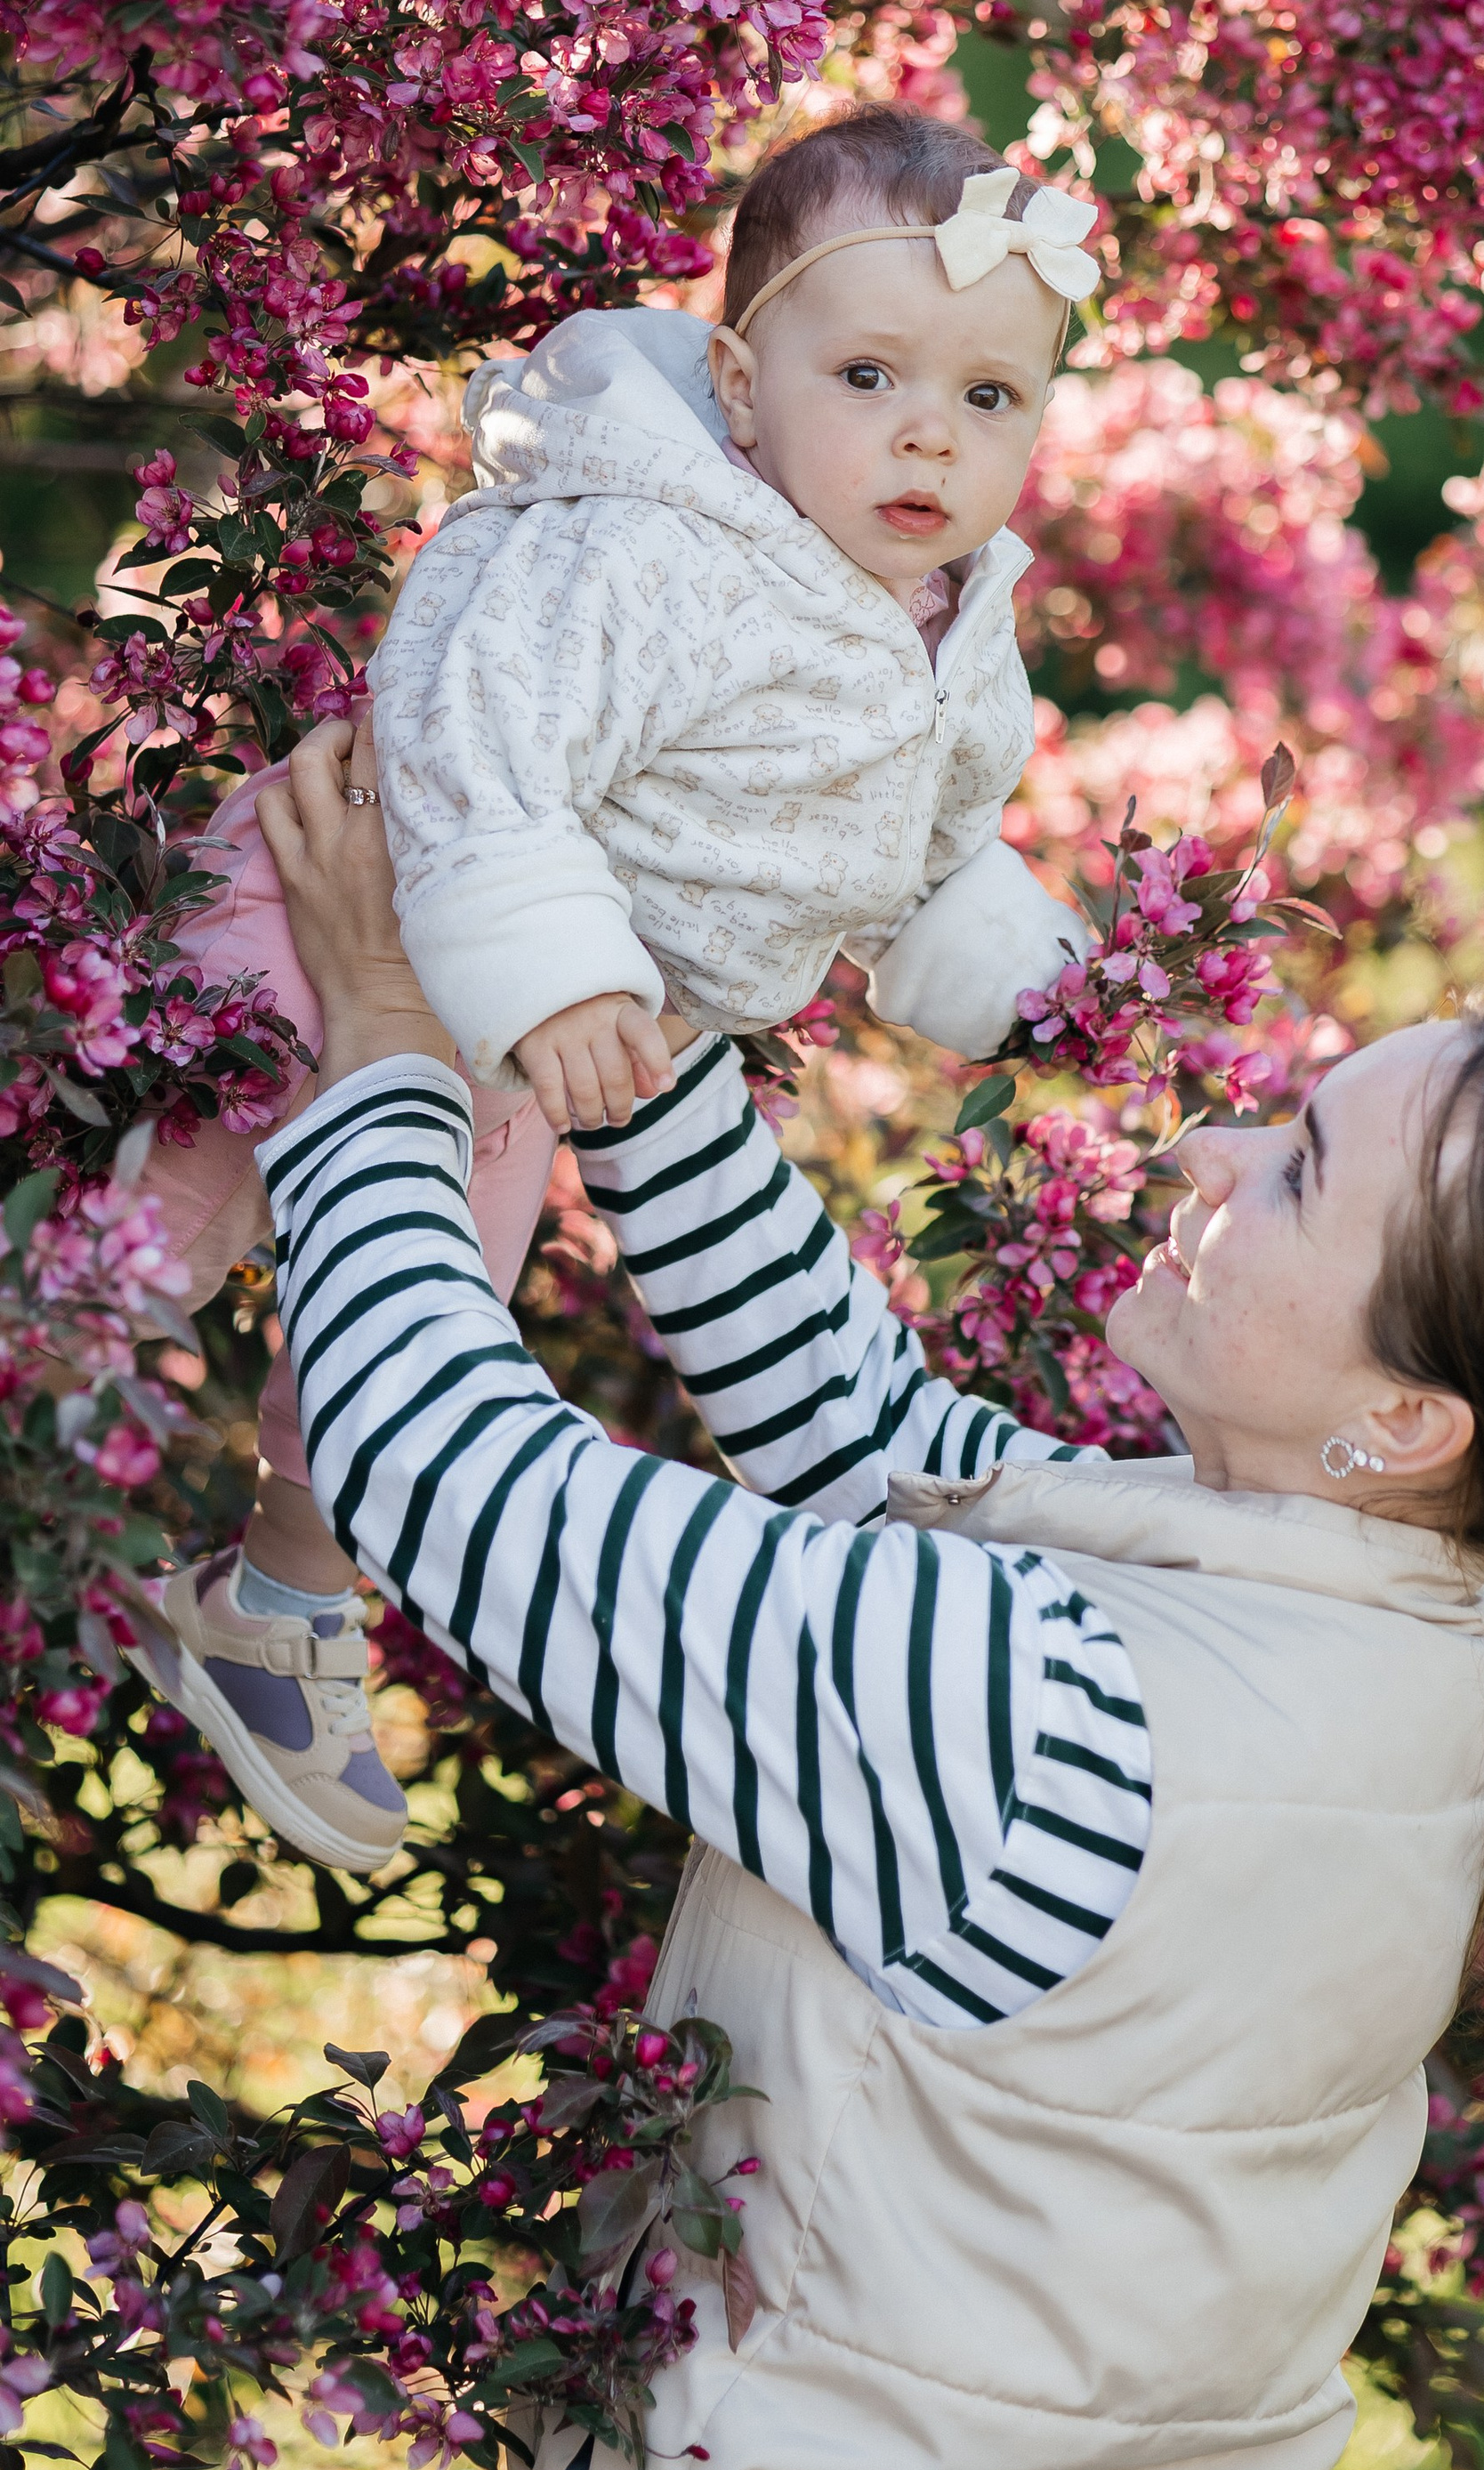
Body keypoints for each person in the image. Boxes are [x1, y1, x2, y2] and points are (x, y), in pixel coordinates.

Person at [229, 717, 1484, 2470]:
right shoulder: (1393, 1656)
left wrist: (387, 1055)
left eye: (1299, 1172)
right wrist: (615, 1032)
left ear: (1405, 1424)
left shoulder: (1065, 1716)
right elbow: (875, 1443)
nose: (1211, 1153)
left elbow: (449, 1482)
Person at [128, 109, 1096, 1874]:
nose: (924, 437)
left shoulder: (953, 621)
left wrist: (1004, 967)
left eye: (986, 400)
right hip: (362, 916)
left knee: (414, 1325)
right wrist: (561, 967)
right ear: (738, 380)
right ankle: (57, 1392)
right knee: (151, 1225)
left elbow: (931, 841)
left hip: (533, 1030)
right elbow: (474, 726)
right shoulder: (646, 537)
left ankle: (276, 1604)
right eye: (869, 371)